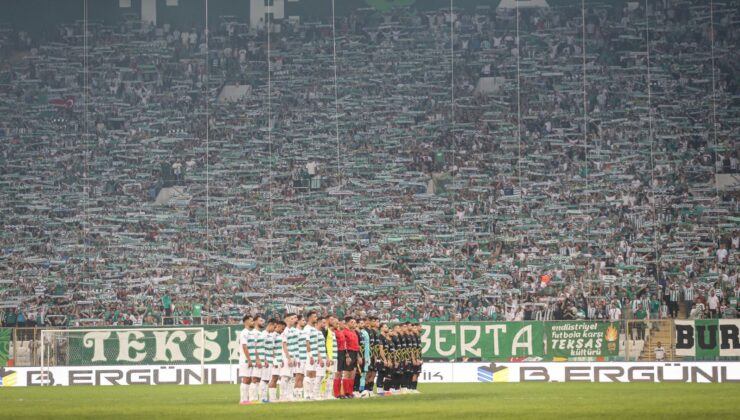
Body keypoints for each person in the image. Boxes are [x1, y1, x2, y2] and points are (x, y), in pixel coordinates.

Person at [238, 314, 254, 405]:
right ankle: (243, 399)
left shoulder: (250, 333)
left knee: (249, 379)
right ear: (246, 322)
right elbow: (244, 347)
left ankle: (246, 399)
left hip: (250, 359)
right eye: (251, 320)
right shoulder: (244, 332)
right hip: (245, 360)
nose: (252, 322)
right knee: (246, 378)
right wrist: (249, 360)